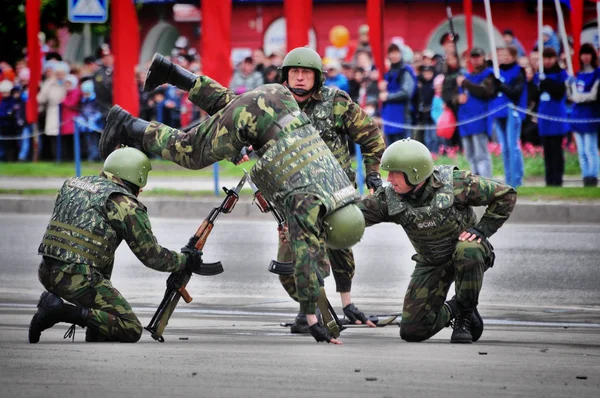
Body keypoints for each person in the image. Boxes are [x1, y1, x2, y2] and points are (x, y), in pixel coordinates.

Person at [99, 65, 369, 344]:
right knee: (191, 151)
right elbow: (305, 259)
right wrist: (313, 320)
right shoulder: (309, 202)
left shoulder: (340, 187)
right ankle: (128, 125)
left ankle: (173, 73)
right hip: (254, 123)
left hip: (277, 98)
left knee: (237, 104)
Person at [29, 147, 205, 343]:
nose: (142, 189)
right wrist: (186, 260)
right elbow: (152, 257)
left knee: (102, 243)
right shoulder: (124, 204)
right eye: (142, 181)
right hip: (76, 279)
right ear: (133, 176)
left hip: (47, 271)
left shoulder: (73, 184)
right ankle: (58, 310)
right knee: (130, 328)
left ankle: (95, 326)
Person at [358, 139, 517, 344]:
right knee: (412, 331)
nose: (389, 179)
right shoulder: (389, 197)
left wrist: (482, 230)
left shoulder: (455, 183)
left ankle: (465, 317)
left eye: (395, 173)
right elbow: (355, 216)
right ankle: (457, 306)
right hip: (431, 262)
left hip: (467, 254)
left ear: (414, 172)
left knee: (468, 250)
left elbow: (505, 195)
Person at [490, 46, 527, 188]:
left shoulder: (519, 71)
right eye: (501, 55)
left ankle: (517, 178)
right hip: (499, 114)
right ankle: (508, 177)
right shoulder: (497, 72)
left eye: (506, 55)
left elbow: (515, 93)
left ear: (513, 56)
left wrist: (502, 85)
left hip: (512, 113)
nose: (503, 57)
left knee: (513, 147)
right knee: (505, 148)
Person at [455, 47, 496, 178]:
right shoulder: (467, 76)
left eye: (478, 56)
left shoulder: (489, 74)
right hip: (465, 121)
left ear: (483, 57)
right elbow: (454, 95)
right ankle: (476, 184)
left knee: (481, 155)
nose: (475, 59)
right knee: (470, 156)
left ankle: (486, 181)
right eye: (473, 57)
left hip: (479, 120)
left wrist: (465, 83)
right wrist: (457, 98)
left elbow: (484, 91)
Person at [567, 43, 599, 187]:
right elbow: (570, 95)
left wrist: (577, 97)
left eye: (588, 54)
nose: (585, 57)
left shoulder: (597, 73)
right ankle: (585, 176)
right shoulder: (577, 74)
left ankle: (594, 175)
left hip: (590, 115)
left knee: (590, 149)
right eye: (583, 54)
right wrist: (569, 86)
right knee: (581, 150)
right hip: (577, 115)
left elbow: (593, 95)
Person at [536, 47, 568, 186]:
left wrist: (547, 82)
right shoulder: (540, 74)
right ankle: (549, 180)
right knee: (547, 152)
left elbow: (559, 93)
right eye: (545, 58)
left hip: (556, 118)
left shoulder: (561, 74)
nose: (548, 61)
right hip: (544, 119)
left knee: (556, 150)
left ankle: (557, 179)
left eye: (550, 58)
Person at [380, 43, 416, 145]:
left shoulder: (406, 71)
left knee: (404, 148)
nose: (393, 55)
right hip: (389, 117)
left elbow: (406, 93)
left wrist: (388, 96)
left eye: (396, 52)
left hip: (402, 116)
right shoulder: (388, 73)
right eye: (391, 52)